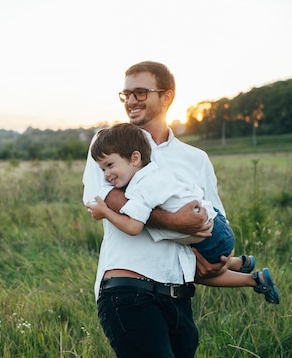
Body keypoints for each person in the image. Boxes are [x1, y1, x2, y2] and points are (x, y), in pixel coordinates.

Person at [82, 61, 277, 358]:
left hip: (179, 297)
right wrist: (176, 221)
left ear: (167, 96)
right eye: (126, 93)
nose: (131, 100)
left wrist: (212, 254)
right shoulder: (110, 144)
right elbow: (106, 200)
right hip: (129, 292)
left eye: (140, 92)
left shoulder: (195, 158)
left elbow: (214, 219)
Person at [86, 122, 279, 301]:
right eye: (102, 169)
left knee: (190, 272)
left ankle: (255, 280)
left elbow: (134, 226)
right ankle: (239, 263)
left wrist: (105, 212)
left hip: (211, 236)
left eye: (110, 165)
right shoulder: (158, 172)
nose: (106, 175)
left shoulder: (142, 187)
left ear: (135, 158)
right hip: (215, 223)